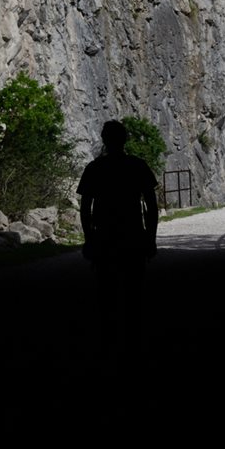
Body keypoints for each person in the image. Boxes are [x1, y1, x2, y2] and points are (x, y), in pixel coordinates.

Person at [77, 120, 159, 367]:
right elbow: (151, 206)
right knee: (133, 293)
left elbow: (85, 208)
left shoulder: (95, 168)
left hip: (104, 238)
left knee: (106, 292)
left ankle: (108, 343)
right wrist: (150, 238)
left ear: (104, 140)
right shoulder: (138, 166)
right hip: (133, 237)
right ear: (125, 139)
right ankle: (134, 343)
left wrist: (89, 239)